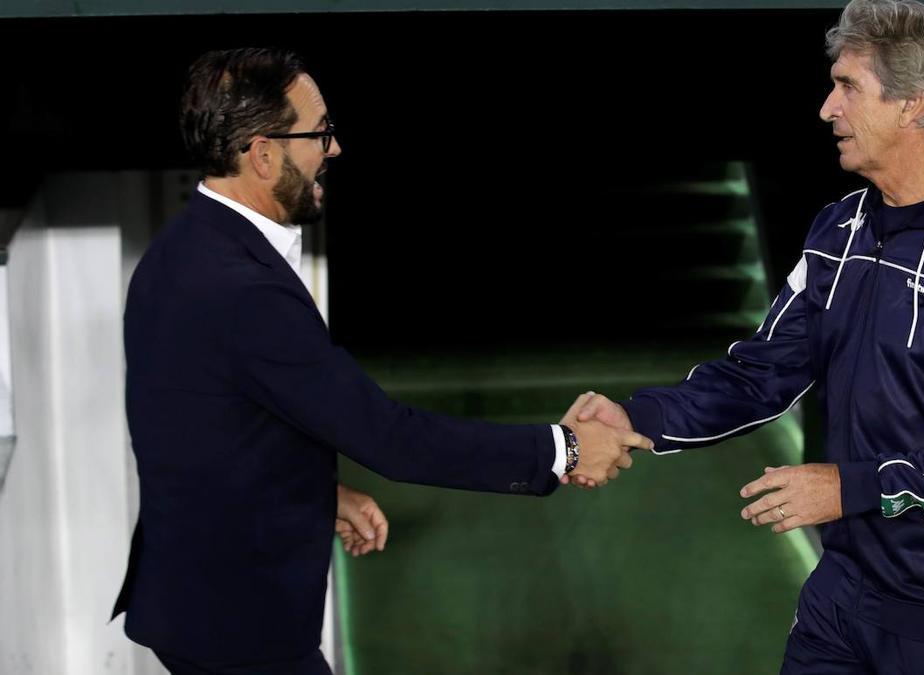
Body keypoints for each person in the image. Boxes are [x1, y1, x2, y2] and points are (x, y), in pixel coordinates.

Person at [111, 47, 650, 675]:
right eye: (321, 134)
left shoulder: (183, 248)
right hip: (240, 624)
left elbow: (209, 424)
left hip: (195, 604)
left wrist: (318, 492)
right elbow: (391, 438)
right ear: (262, 155)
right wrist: (566, 449)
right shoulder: (242, 290)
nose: (334, 150)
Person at [575, 1, 924, 672]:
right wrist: (638, 416)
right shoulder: (840, 231)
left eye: (848, 86)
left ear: (912, 107)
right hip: (839, 599)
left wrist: (854, 487)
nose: (825, 108)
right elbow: (762, 373)